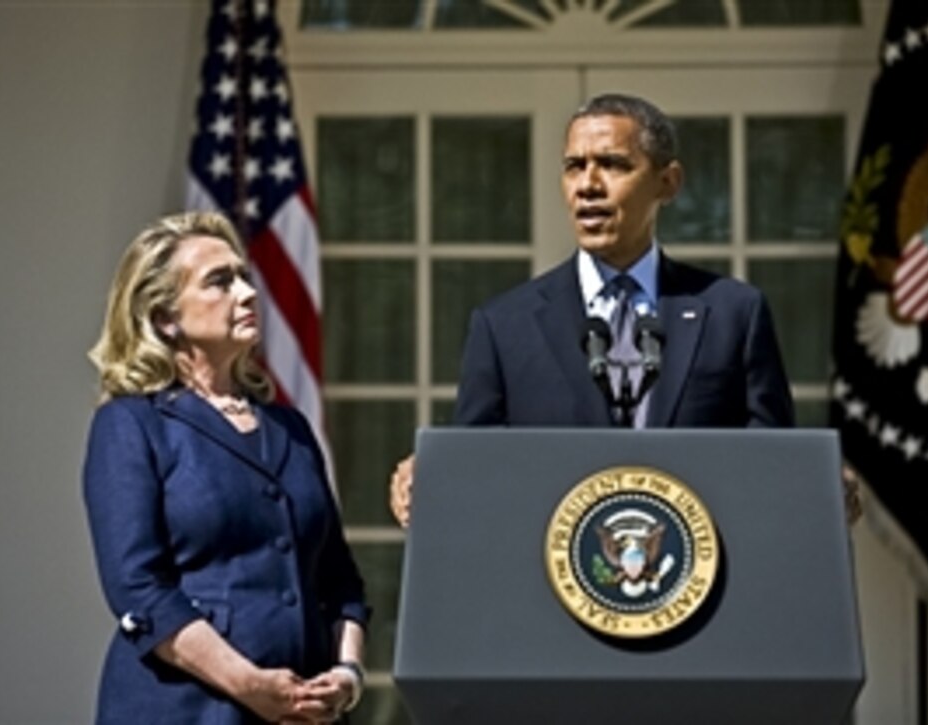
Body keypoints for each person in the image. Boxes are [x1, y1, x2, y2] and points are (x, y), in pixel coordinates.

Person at [390, 93, 798, 526]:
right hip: (551, 584)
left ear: (668, 182)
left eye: (613, 164)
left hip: (697, 578)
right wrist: (438, 472)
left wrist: (822, 481)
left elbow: (773, 466)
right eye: (574, 167)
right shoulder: (504, 327)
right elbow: (480, 472)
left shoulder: (733, 314)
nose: (588, 185)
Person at [83, 211, 368, 724]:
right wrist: (248, 684)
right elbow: (138, 587)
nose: (247, 293)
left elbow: (339, 580)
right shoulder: (130, 424)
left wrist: (348, 676)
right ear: (164, 316)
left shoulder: (290, 427)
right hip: (182, 709)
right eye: (220, 282)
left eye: (243, 276)